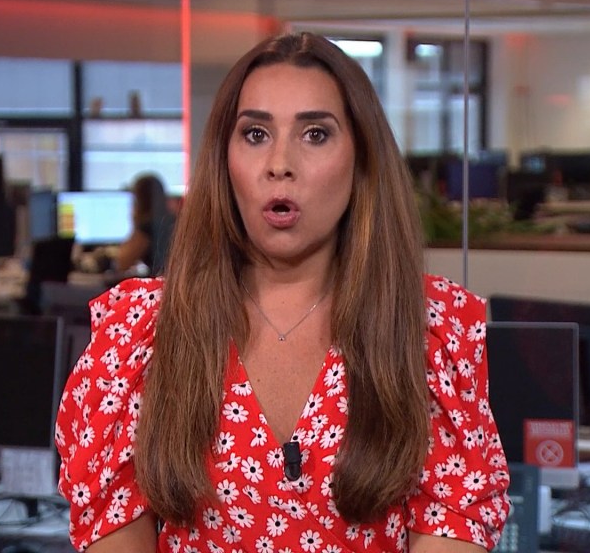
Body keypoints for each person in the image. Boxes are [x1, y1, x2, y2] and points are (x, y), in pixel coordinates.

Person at [54, 31, 511, 553]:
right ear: (224, 160)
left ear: (362, 160)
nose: (279, 163)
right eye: (255, 134)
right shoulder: (140, 336)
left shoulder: (429, 332)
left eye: (315, 134)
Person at [111, 173, 176, 277]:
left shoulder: (147, 227)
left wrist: (136, 222)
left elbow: (122, 263)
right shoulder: (172, 219)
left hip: (163, 283)